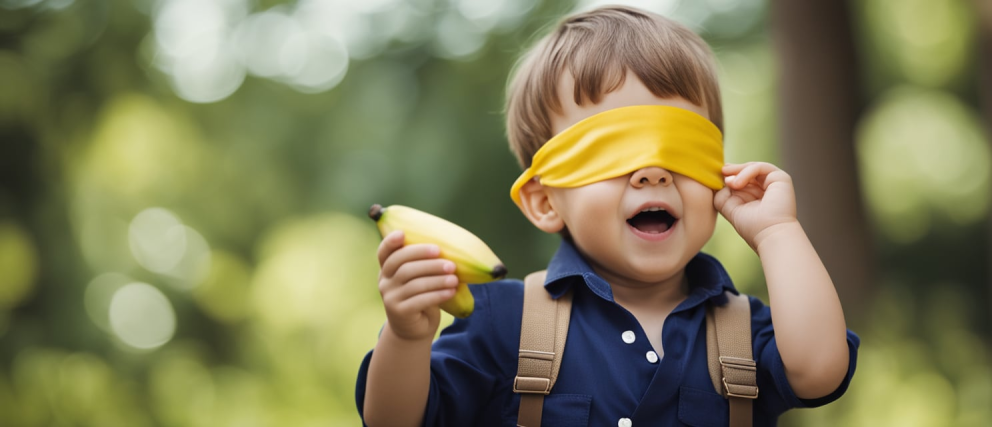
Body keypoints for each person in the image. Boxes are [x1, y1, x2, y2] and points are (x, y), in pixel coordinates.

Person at [356, 5, 859, 426]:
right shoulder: (502, 323)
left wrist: (777, 232)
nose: (652, 171)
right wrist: (406, 338)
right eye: (610, 150)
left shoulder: (744, 330)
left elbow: (820, 370)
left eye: (680, 145)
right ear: (545, 200)